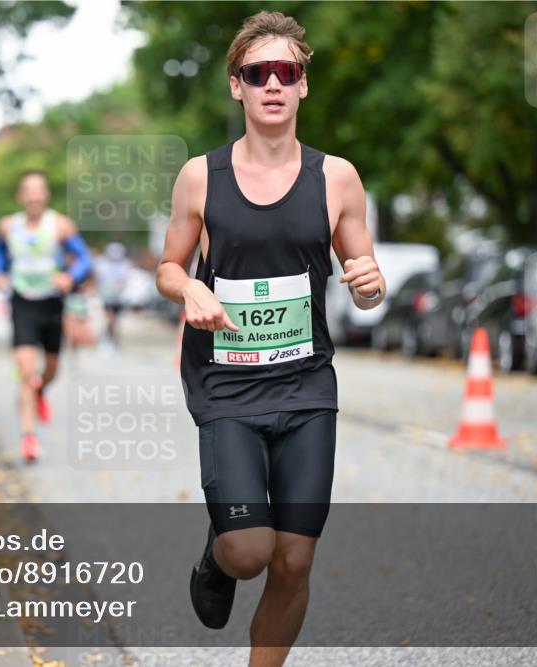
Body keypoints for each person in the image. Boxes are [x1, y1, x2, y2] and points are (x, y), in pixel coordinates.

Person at [155, 11, 385, 667]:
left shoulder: (336, 177)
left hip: (307, 382)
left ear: (304, 85)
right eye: (260, 74)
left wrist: (371, 284)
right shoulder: (202, 176)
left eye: (288, 72)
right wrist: (188, 287)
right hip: (226, 384)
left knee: (294, 556)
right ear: (238, 87)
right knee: (250, 550)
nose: (274, 85)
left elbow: (364, 278)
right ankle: (218, 552)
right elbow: (169, 266)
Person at [0, 170, 92, 462]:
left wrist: (70, 276)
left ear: (46, 195)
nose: (34, 195)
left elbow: (84, 259)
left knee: (50, 370)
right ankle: (29, 438)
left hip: (52, 304)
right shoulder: (8, 226)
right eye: (28, 190)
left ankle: (40, 392)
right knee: (26, 373)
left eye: (39, 190)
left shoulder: (60, 225)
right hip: (22, 302)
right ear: (20, 196)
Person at [92, 241, 132, 355]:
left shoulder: (124, 264)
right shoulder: (101, 263)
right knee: (109, 319)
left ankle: (113, 341)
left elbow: (126, 280)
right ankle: (108, 340)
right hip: (105, 297)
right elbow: (97, 279)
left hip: (118, 298)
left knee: (114, 321)